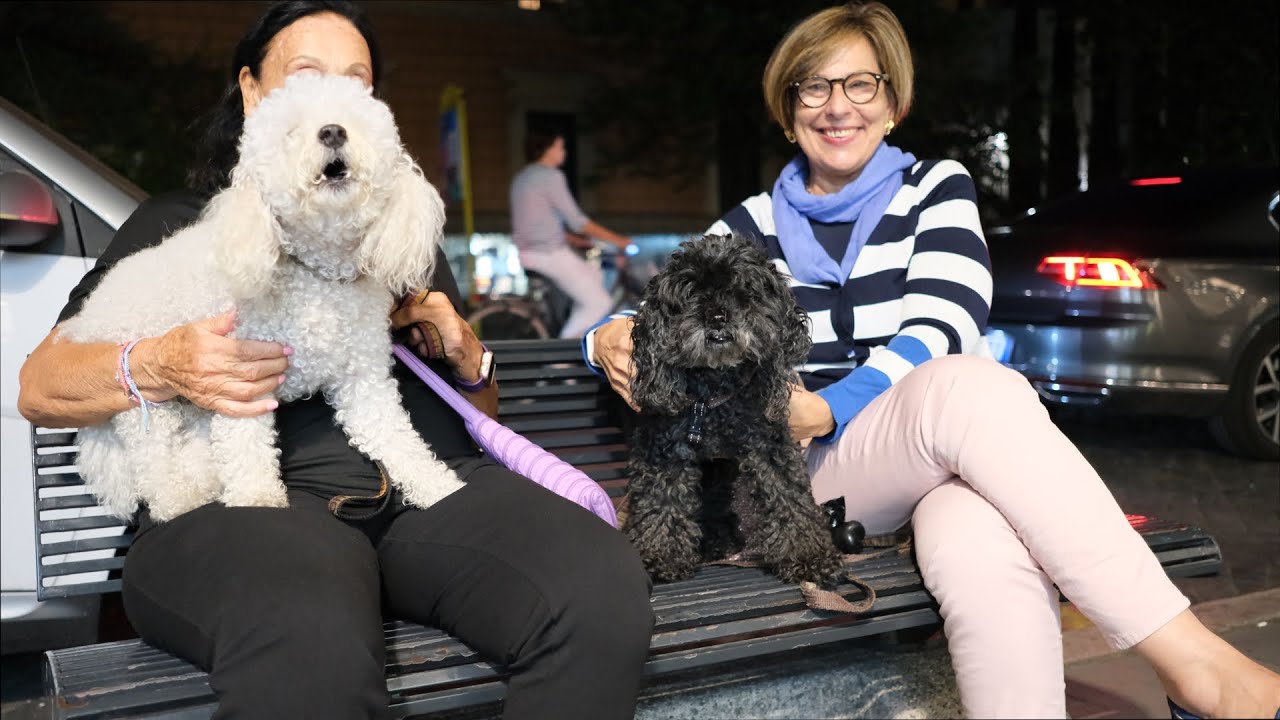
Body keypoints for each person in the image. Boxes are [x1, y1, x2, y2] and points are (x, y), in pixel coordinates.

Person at [584, 3, 1280, 718]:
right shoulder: (751, 223)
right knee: (970, 389)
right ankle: (1204, 677)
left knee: (976, 536)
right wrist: (601, 337)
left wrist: (829, 405)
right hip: (811, 475)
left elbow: (944, 323)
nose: (837, 106)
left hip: (928, 448)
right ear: (789, 112)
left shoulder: (934, 188)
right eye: (814, 87)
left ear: (894, 103)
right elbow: (655, 309)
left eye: (860, 84)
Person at [16, 2, 653, 718]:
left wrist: (469, 357)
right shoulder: (179, 225)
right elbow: (40, 385)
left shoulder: (392, 234)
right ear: (252, 91)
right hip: (255, 508)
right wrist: (161, 363)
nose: (334, 100)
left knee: (596, 586)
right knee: (306, 637)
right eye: (307, 74)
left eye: (357, 81)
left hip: (425, 500)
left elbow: (477, 416)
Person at [510, 127, 634, 338]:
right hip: (548, 254)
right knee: (599, 302)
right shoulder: (550, 176)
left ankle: (576, 330)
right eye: (560, 147)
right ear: (547, 149)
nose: (564, 152)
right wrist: (620, 241)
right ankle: (564, 352)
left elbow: (536, 223)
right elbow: (578, 221)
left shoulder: (522, 178)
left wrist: (575, 240)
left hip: (529, 254)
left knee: (594, 277)